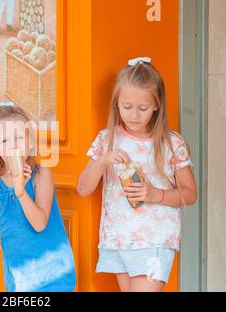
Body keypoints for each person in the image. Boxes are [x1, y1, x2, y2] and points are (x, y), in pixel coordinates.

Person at [77, 57, 197, 292]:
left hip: (155, 241)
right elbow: (82, 189)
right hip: (119, 239)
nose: (133, 115)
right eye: (126, 107)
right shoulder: (106, 139)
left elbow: (190, 194)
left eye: (142, 108)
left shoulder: (171, 143)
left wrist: (155, 194)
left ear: (156, 105)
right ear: (117, 104)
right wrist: (103, 160)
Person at [0, 104, 76, 292]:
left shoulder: (41, 176)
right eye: (5, 140)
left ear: (30, 142)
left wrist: (21, 191)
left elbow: (40, 223)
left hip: (53, 272)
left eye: (20, 138)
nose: (14, 144)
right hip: (20, 277)